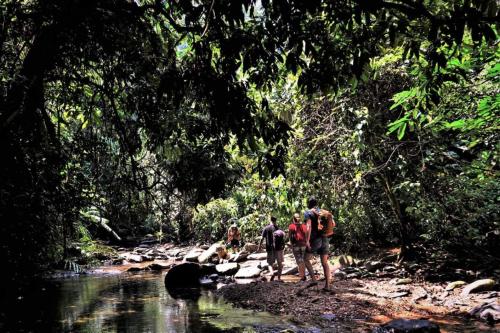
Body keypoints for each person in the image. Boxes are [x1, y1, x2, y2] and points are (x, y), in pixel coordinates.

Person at [303, 197, 333, 291]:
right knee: (324, 263)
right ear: (316, 204)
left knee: (306, 259)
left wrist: (307, 240)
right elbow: (333, 224)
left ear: (309, 204)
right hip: (325, 238)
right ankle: (327, 286)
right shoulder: (323, 212)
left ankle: (314, 279)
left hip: (315, 240)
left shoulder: (308, 212)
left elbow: (308, 227)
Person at [258, 216, 284, 281]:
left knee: (270, 263)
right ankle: (279, 278)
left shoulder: (266, 228)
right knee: (280, 263)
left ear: (270, 220)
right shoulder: (278, 228)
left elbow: (262, 238)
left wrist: (259, 246)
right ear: (275, 221)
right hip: (278, 248)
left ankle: (272, 273)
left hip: (270, 248)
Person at [288, 212, 307, 281]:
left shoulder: (291, 226)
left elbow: (289, 237)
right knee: (303, 260)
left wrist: (291, 245)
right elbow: (306, 235)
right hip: (303, 245)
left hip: (296, 245)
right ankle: (302, 275)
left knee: (299, 261)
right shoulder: (304, 226)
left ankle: (302, 276)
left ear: (293, 219)